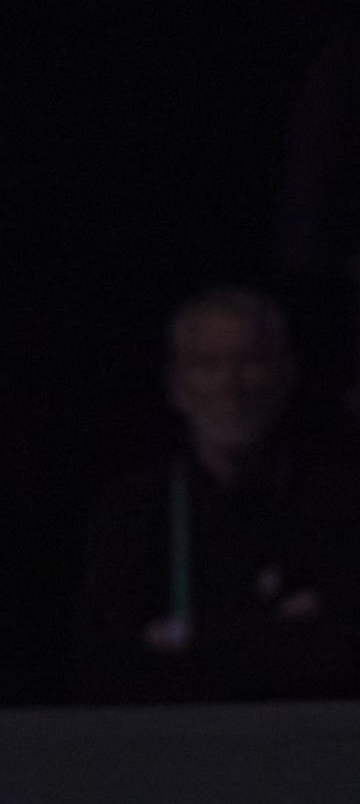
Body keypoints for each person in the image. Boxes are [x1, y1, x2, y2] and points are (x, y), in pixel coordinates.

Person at [76, 286, 359, 702]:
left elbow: (342, 657)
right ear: (177, 386)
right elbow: (103, 671)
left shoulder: (338, 505)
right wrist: (277, 627)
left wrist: (190, 641)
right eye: (209, 366)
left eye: (252, 363)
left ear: (285, 377)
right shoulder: (136, 514)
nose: (232, 385)